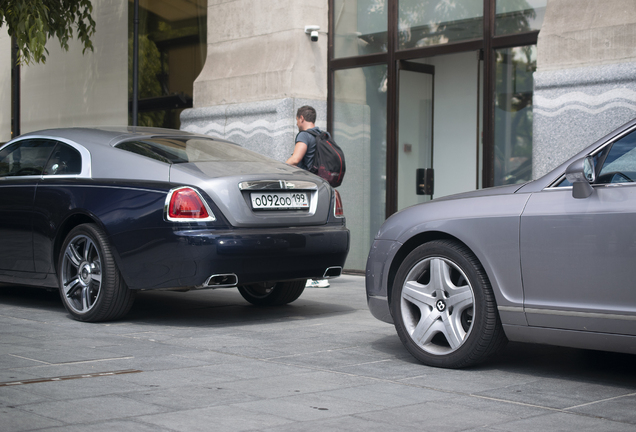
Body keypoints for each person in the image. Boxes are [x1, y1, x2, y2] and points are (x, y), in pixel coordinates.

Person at [287, 106, 330, 289]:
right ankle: (320, 274)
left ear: (302, 118)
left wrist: (279, 168)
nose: (297, 123)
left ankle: (312, 275)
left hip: (305, 189)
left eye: (297, 120)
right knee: (318, 231)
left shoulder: (304, 135)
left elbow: (296, 159)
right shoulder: (322, 134)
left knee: (301, 232)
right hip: (321, 187)